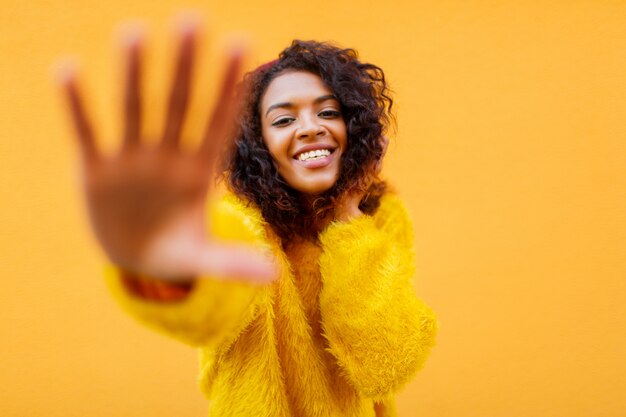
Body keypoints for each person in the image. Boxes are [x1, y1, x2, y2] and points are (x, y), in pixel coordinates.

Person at [59, 19, 437, 417]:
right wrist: (160, 263)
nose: (310, 128)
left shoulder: (379, 219)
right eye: (283, 120)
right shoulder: (239, 228)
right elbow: (207, 303)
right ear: (259, 146)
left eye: (328, 111)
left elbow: (386, 365)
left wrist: (347, 218)